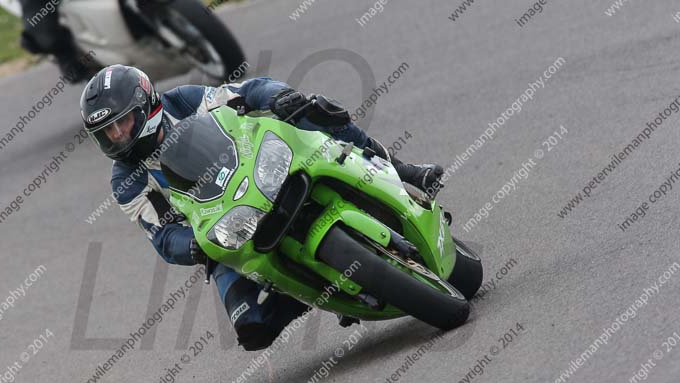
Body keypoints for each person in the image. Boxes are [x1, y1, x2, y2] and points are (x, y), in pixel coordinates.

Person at [80, 65, 444, 350]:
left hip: (260, 166)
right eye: (107, 133)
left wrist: (281, 96)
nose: (117, 137)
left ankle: (402, 169)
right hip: (224, 224)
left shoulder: (184, 101)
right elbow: (162, 236)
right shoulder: (125, 181)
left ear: (145, 105)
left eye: (122, 123)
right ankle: (314, 291)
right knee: (252, 329)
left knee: (315, 110)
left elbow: (248, 91)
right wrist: (194, 246)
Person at [19, 0, 99, 82]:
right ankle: (86, 75)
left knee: (62, 52)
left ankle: (79, 74)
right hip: (49, 38)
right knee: (65, 48)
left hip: (31, 40)